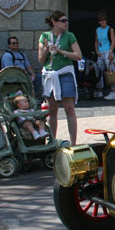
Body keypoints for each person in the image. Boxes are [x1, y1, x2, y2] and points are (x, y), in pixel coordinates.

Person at [38, 11, 82, 145]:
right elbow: (41, 60)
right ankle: (51, 141)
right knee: (52, 110)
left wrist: (61, 51)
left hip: (64, 74)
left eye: (66, 20)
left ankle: (73, 143)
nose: (66, 23)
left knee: (69, 107)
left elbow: (78, 55)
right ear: (55, 23)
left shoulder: (69, 36)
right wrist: (46, 49)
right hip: (50, 75)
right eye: (63, 21)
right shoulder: (44, 36)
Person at [94, 11, 115, 100]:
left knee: (111, 71)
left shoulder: (109, 29)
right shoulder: (97, 29)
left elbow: (113, 40)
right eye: (100, 20)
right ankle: (99, 90)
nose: (102, 21)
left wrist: (111, 51)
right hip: (100, 52)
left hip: (108, 51)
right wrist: (97, 51)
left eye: (104, 20)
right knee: (98, 72)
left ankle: (113, 92)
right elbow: (96, 40)